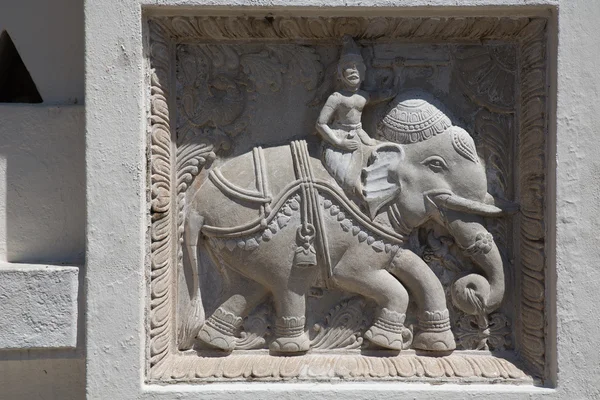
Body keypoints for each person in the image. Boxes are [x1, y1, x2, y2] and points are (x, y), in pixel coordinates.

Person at [315, 35, 396, 195]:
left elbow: (387, 93)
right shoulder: (336, 97)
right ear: (340, 74)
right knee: (350, 181)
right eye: (348, 67)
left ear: (364, 72)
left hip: (361, 136)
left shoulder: (363, 96)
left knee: (386, 157)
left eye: (357, 66)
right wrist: (339, 142)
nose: (353, 70)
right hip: (339, 140)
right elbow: (320, 124)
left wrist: (397, 72)